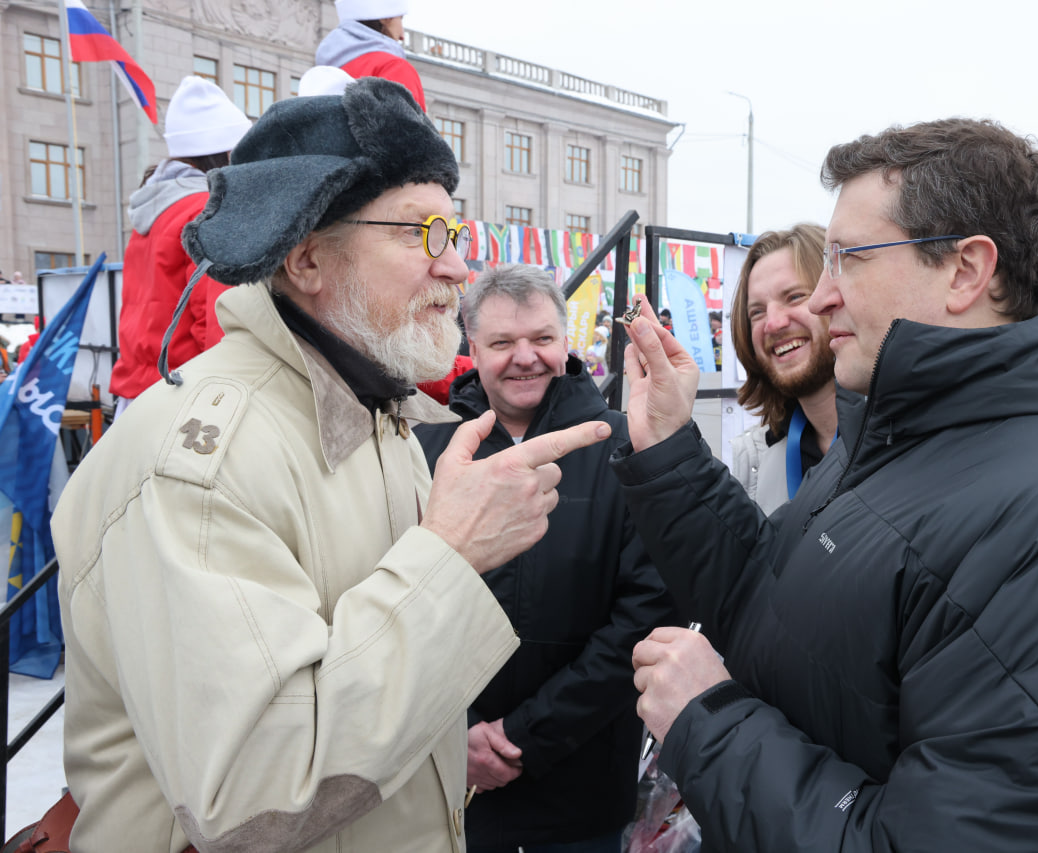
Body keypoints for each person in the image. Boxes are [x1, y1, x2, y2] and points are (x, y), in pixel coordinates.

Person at [615, 118, 1038, 852]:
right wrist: (667, 450)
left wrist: (707, 722)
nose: (817, 300)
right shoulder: (912, 436)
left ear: (967, 271)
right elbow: (773, 602)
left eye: (847, 258)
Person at [50, 78, 609, 853]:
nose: (456, 269)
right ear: (308, 257)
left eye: (454, 231)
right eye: (421, 233)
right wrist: (449, 557)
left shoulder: (379, 416)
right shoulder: (202, 465)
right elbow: (255, 793)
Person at [415, 264, 676, 853]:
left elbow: (647, 613)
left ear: (566, 342)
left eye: (541, 339)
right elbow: (398, 600)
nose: (524, 358)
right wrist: (457, 738)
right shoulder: (426, 449)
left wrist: (523, 737)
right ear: (473, 349)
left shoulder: (623, 446)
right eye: (503, 343)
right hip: (444, 791)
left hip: (578, 790)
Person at [109, 76, 251, 412]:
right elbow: (220, 322)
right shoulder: (208, 211)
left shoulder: (154, 209)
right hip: (181, 397)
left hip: (136, 392)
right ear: (229, 152)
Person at [727, 224, 844, 514]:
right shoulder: (752, 461)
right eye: (757, 311)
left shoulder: (908, 444)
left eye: (794, 297)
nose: (773, 323)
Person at [315, 0, 425, 110]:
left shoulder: (321, 76)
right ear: (385, 18)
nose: (402, 35)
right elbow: (404, 125)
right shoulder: (394, 67)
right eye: (400, 18)